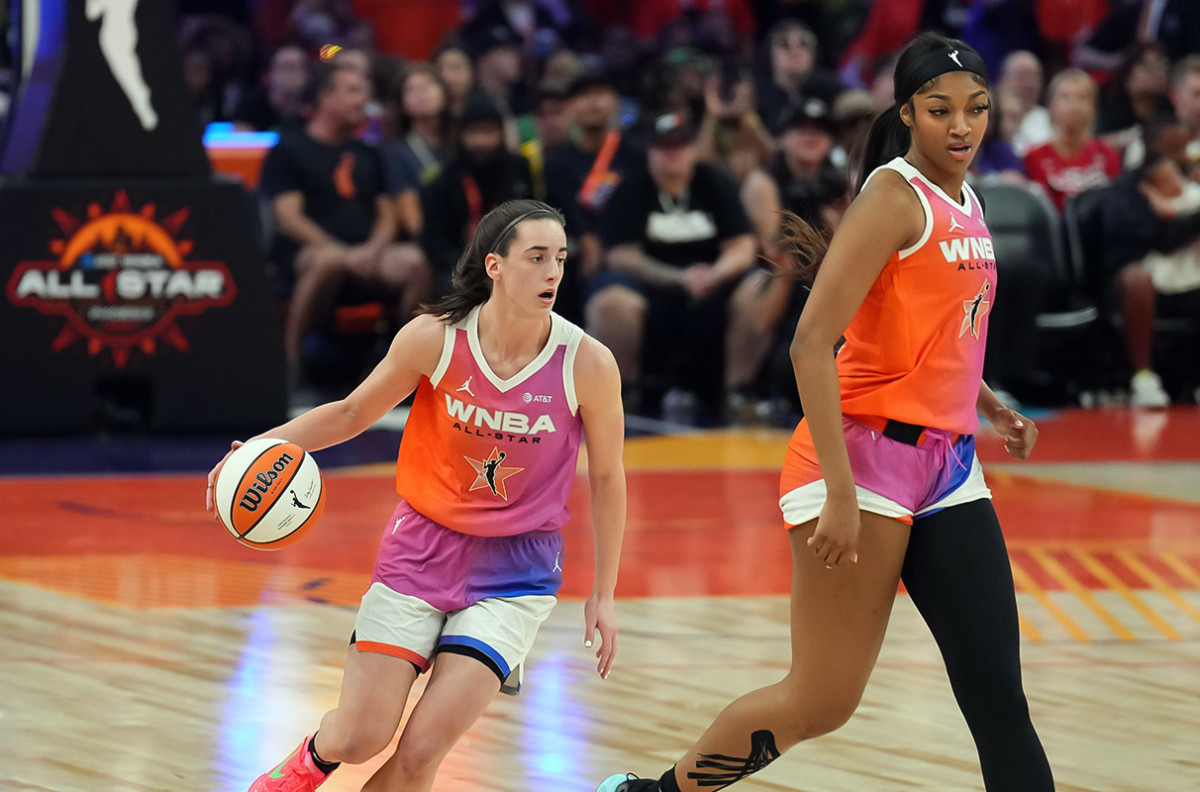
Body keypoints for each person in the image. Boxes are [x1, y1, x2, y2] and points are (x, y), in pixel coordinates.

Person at [595, 32, 1054, 792]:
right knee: (820, 701)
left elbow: (943, 326)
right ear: (909, 112)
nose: (962, 126)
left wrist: (990, 404)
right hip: (857, 462)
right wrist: (839, 495)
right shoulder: (892, 196)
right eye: (941, 110)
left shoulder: (966, 195)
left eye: (976, 109)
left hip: (948, 466)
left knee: (998, 699)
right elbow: (811, 346)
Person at [206, 199, 627, 792]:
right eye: (536, 257)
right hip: (419, 551)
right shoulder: (435, 338)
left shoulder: (586, 362)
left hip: (517, 574)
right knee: (362, 736)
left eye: (559, 257)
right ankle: (309, 762)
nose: (553, 271)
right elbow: (351, 412)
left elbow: (608, 476)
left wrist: (603, 592)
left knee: (422, 751)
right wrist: (253, 448)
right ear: (495, 266)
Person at [259, 60, 432, 374]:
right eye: (354, 91)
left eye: (366, 91)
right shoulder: (289, 149)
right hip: (309, 255)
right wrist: (342, 252)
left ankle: (399, 366)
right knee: (328, 259)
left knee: (416, 262)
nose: (364, 100)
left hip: (367, 256)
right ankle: (290, 365)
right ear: (326, 97)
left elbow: (387, 214)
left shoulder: (368, 152)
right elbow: (289, 218)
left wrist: (371, 250)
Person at [587, 109, 755, 417]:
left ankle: (738, 391)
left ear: (692, 148)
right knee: (609, 301)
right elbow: (620, 254)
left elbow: (742, 246)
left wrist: (713, 275)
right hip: (650, 285)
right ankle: (624, 393)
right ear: (650, 150)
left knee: (763, 285)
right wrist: (678, 278)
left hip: (713, 285)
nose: (671, 155)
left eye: (679, 146)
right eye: (663, 147)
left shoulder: (715, 182)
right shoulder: (631, 187)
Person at [1102, 113, 1200, 407]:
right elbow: (1159, 239)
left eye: (1183, 148)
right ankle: (1143, 377)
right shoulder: (1125, 190)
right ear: (1149, 147)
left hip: (1187, 278)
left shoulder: (1191, 186)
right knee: (1136, 279)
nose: (1180, 156)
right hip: (1134, 281)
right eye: (1172, 149)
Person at [420, 92, 536, 297]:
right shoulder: (444, 180)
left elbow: (534, 220)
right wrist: (469, 268)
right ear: (461, 135)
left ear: (501, 134)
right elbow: (435, 241)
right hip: (461, 265)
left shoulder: (518, 169)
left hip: (515, 261)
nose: (481, 141)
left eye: (488, 132)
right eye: (473, 133)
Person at [1023, 68, 1120, 213]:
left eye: (1082, 97)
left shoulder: (1106, 154)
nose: (1073, 105)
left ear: (1093, 107)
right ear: (1050, 106)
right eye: (1065, 97)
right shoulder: (1033, 157)